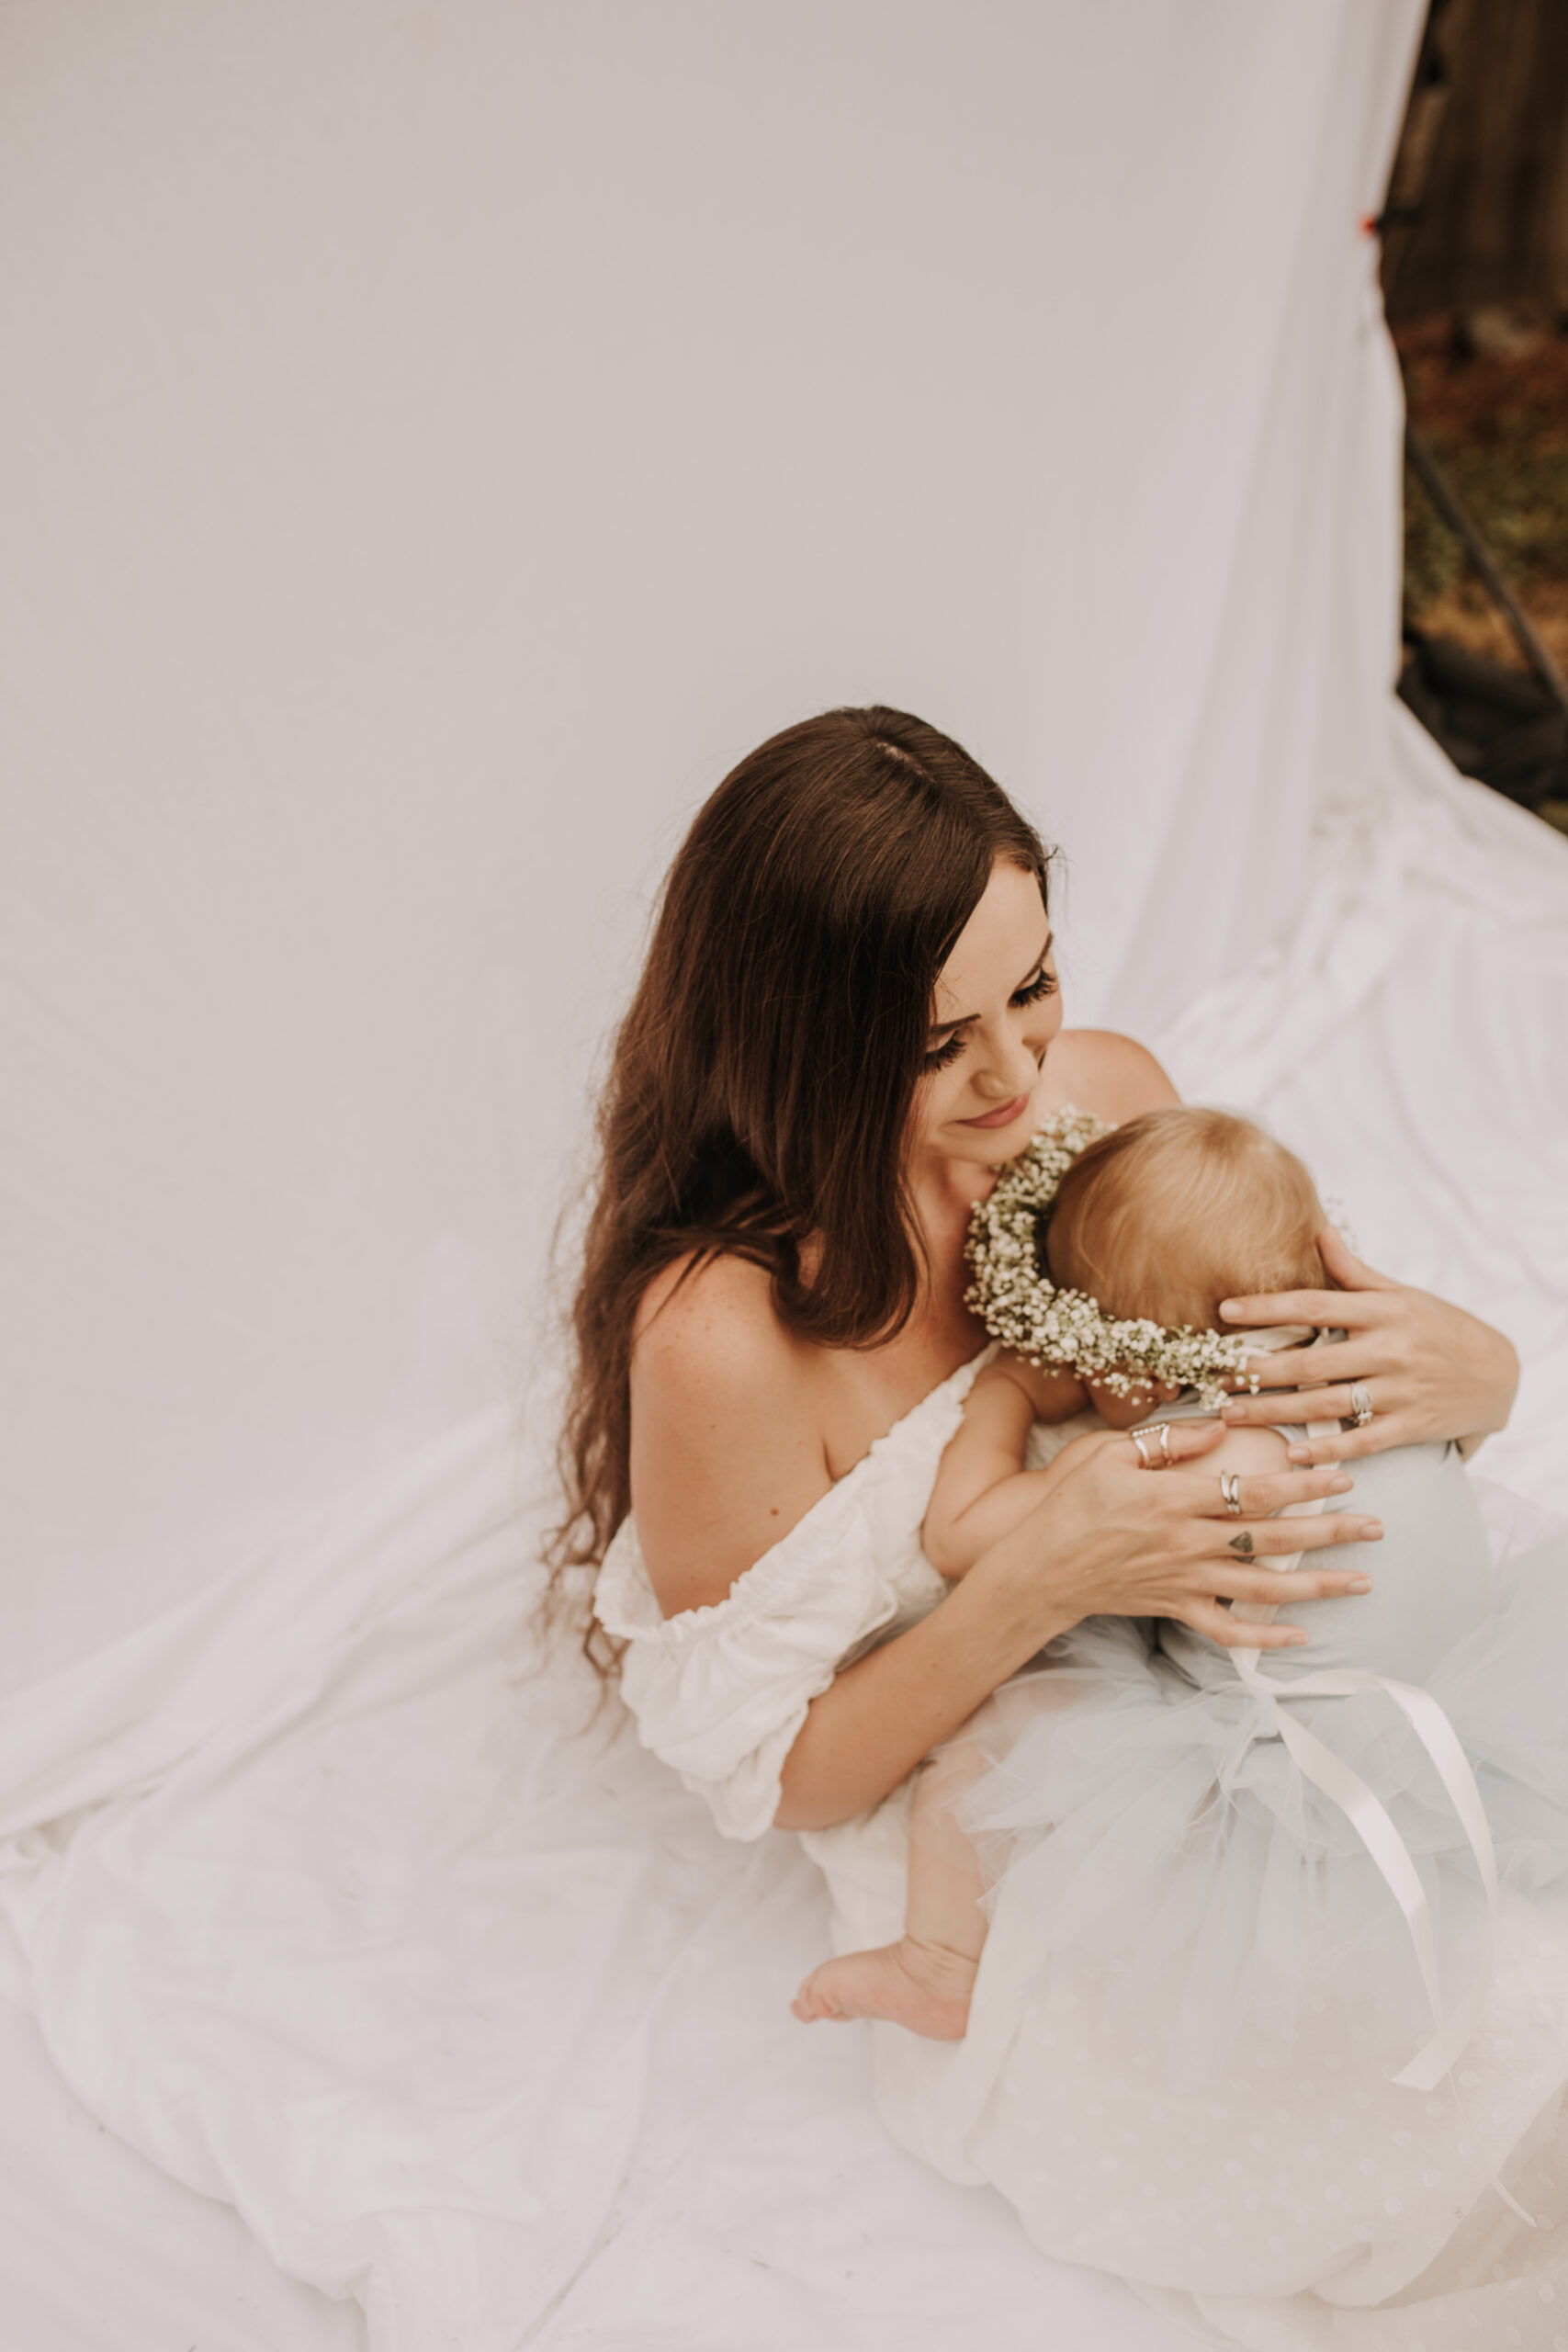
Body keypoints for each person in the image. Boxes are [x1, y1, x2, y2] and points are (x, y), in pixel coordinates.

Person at [564, 708, 1562, 2344]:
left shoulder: (1099, 1103)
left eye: (1032, 987)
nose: (1018, 1076)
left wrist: (1482, 1371)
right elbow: (785, 1775)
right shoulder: (725, 1335)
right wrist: (1043, 1577)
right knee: (1472, 2032)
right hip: (1020, 1789)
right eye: (934, 1042)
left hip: (1272, 1656)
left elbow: (1259, 1344)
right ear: (798, 1041)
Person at [789, 1107, 1564, 2086]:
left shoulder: (1183, 1458)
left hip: (1281, 1770)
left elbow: (958, 1531)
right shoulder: (1387, 1388)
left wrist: (1014, 1392)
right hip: (1459, 1708)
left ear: (1124, 1358)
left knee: (981, 1749)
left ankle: (938, 1964)